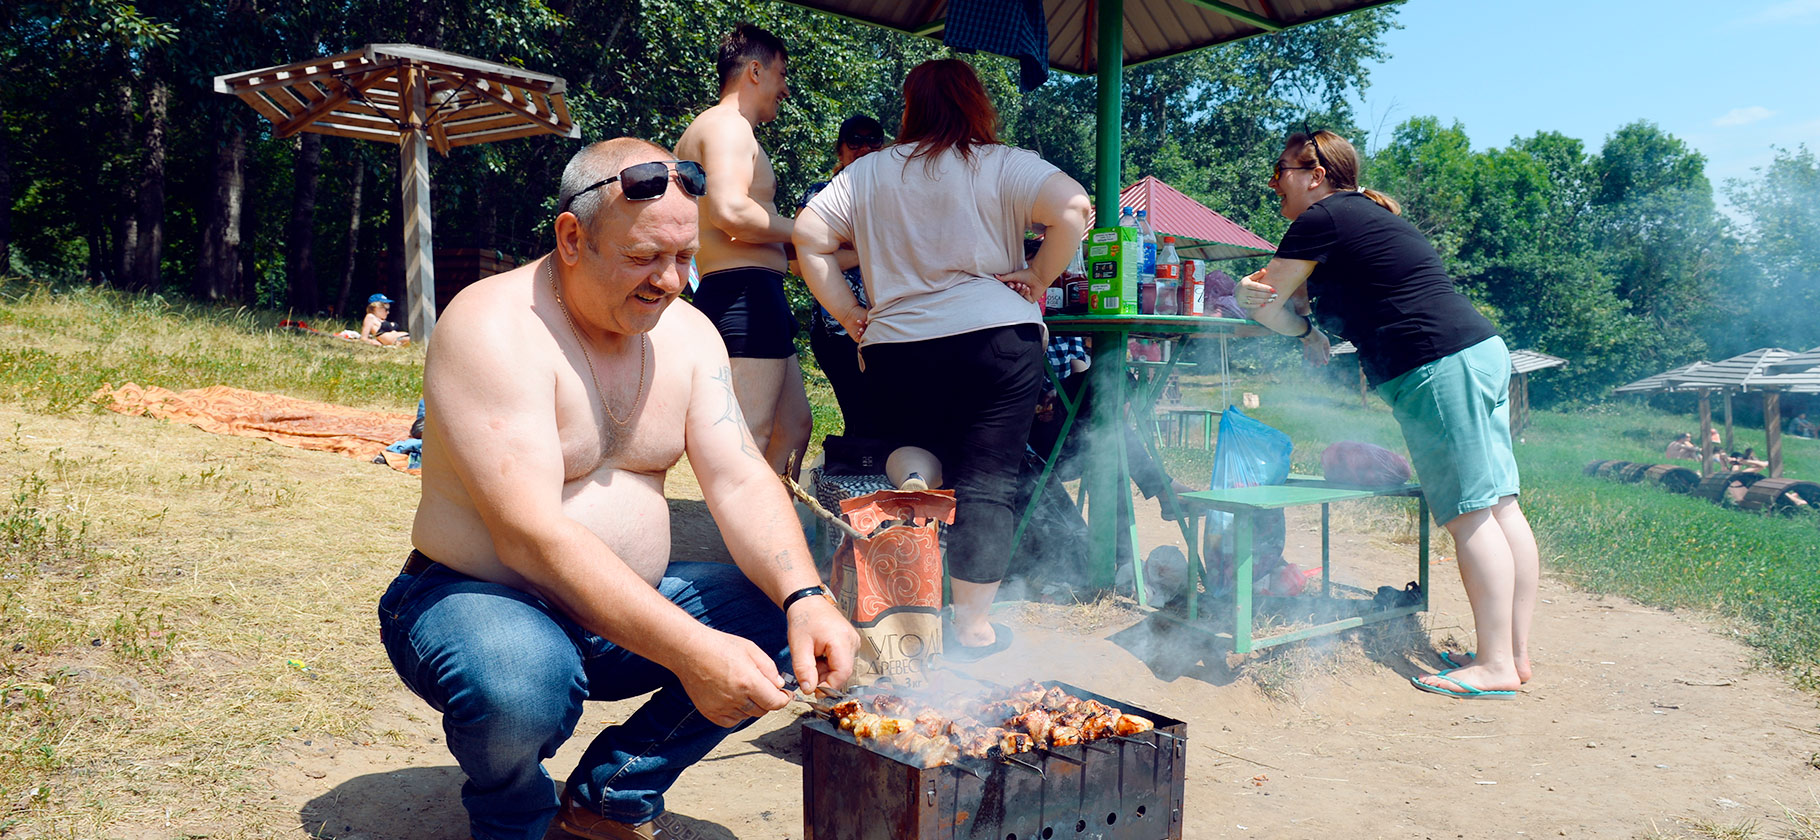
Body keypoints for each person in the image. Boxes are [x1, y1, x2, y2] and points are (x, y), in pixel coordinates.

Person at [377, 138, 858, 840]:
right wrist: (696, 650)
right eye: (642, 258)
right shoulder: (495, 325)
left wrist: (807, 597)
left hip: (616, 616)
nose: (669, 281)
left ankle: (611, 795)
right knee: (519, 682)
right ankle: (515, 819)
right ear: (572, 238)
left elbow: (740, 477)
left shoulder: (690, 337)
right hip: (477, 600)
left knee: (782, 622)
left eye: (684, 258)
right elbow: (528, 533)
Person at [794, 59, 1091, 660]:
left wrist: (851, 315)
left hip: (899, 347)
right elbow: (1075, 209)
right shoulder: (1005, 163)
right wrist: (1036, 276)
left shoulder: (869, 171)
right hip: (996, 341)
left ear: (910, 109)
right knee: (988, 480)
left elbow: (808, 235)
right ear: (977, 103)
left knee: (919, 449)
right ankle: (972, 627)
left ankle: (911, 518)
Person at [1236, 130, 1538, 701]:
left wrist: (1271, 311)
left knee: (1470, 512)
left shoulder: (1321, 219)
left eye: (1281, 171)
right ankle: (1512, 655)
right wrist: (1305, 324)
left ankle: (1496, 664)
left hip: (1437, 363)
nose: (1274, 184)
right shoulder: (1358, 217)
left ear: (1316, 172)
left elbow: (1260, 299)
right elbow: (1307, 296)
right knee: (1499, 505)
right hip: (1475, 351)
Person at [675, 24, 812, 477]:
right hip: (743, 295)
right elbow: (731, 212)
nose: (785, 89)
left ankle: (767, 535)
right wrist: (811, 232)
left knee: (792, 428)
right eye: (781, 73)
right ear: (755, 71)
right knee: (746, 442)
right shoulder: (728, 126)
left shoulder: (725, 129)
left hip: (752, 292)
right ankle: (738, 548)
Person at [797, 115, 887, 439]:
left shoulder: (893, 197)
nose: (865, 148)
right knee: (860, 419)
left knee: (888, 420)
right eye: (855, 141)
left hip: (890, 324)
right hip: (836, 326)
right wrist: (867, 252)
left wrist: (842, 252)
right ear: (840, 150)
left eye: (873, 140)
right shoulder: (820, 193)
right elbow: (798, 263)